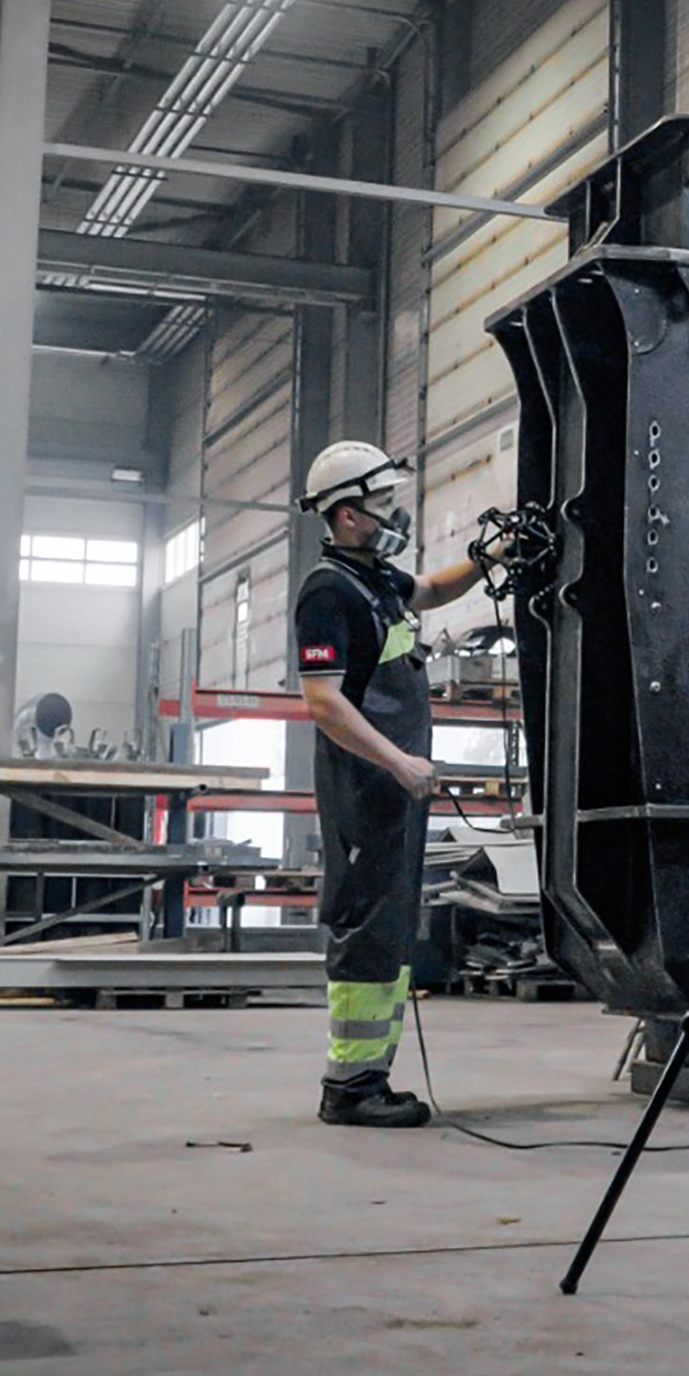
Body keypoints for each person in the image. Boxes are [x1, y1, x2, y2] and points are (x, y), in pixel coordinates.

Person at [292, 440, 485, 1128]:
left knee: (391, 929)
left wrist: (488, 562)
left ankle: (369, 1078)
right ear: (345, 516)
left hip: (392, 799)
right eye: (380, 505)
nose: (393, 515)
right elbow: (322, 701)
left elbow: (431, 589)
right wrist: (398, 763)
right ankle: (348, 1088)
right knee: (368, 929)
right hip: (367, 793)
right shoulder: (327, 591)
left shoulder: (375, 580)